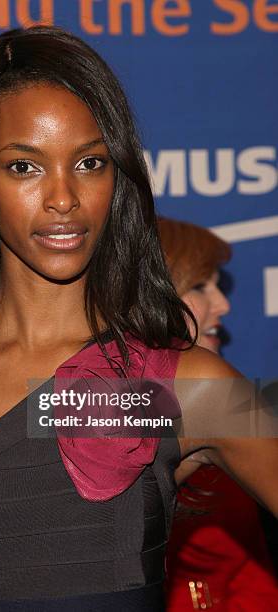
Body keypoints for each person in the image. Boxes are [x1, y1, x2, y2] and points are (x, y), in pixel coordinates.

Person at [0, 26, 278, 612]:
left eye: (89, 162)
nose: (63, 198)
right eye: (24, 166)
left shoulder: (186, 382)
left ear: (119, 178)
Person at [157, 217, 278, 610]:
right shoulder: (73, 405)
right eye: (199, 286)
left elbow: (249, 570)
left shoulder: (220, 397)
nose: (223, 304)